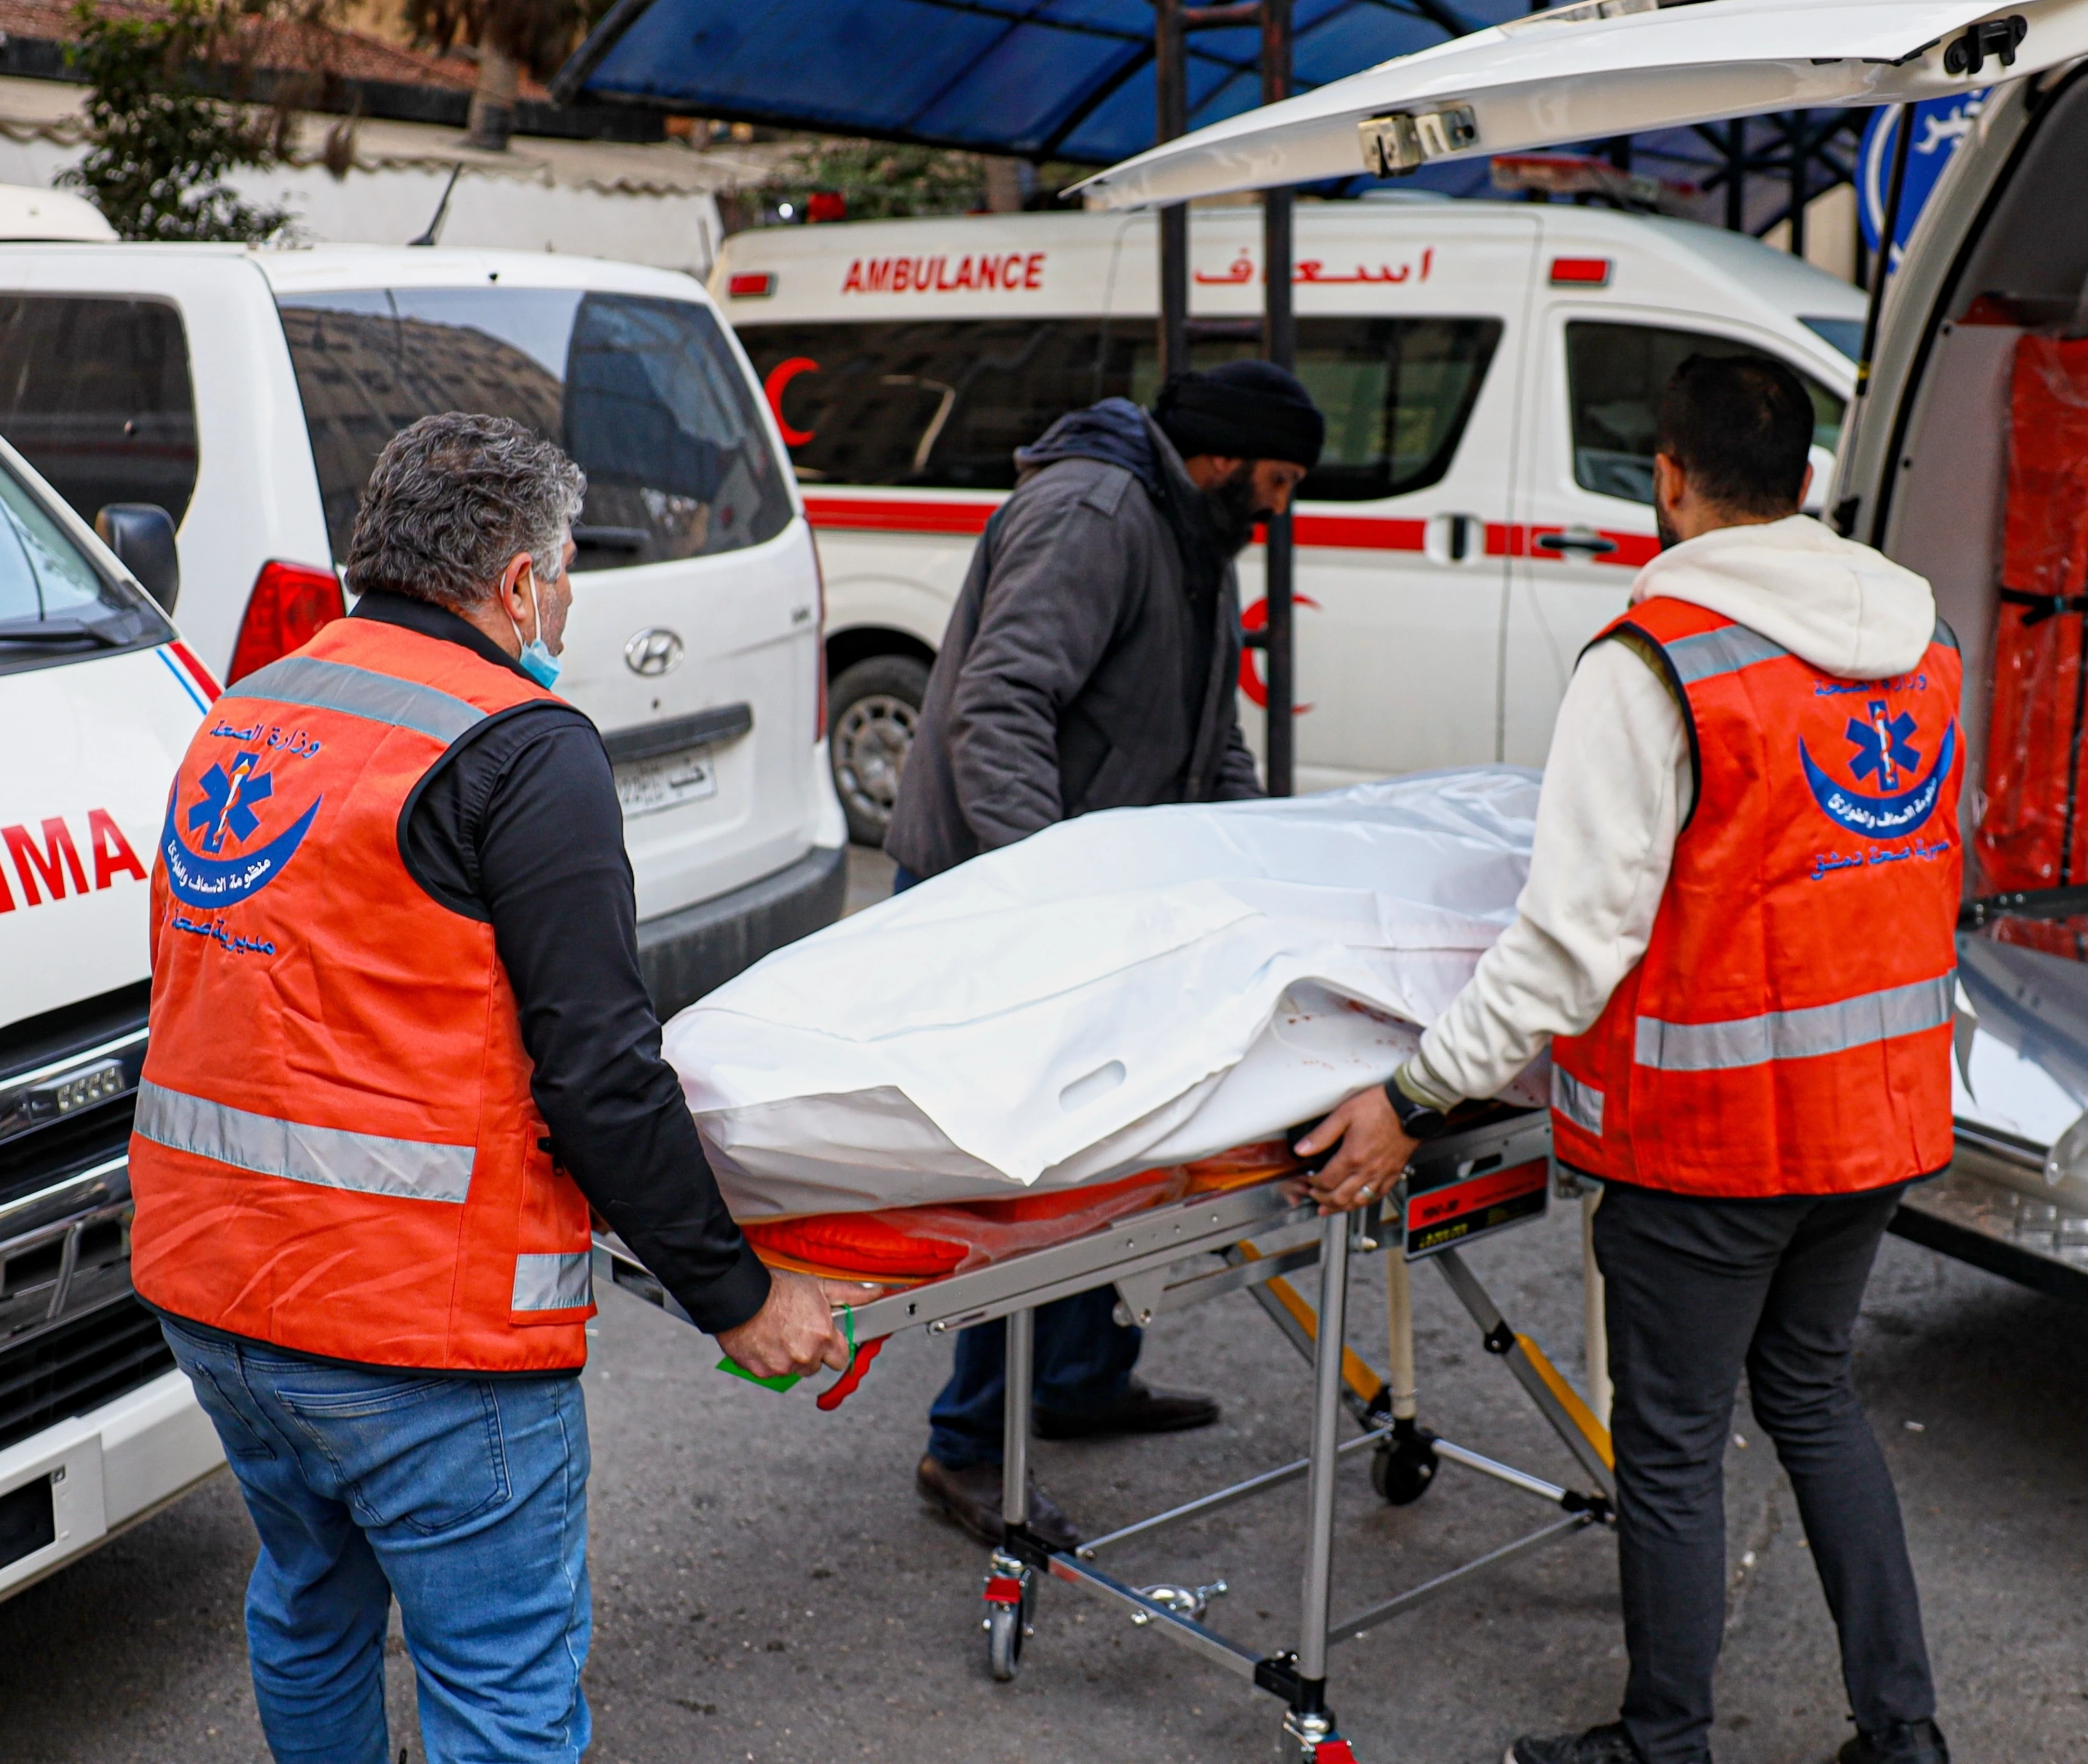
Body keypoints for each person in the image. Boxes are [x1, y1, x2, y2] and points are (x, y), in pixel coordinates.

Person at [134, 413, 874, 1764]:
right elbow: (599, 1065)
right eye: (567, 580)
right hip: (417, 1337)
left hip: (213, 1292)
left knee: (309, 1602)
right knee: (499, 1689)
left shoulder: (248, 711)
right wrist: (739, 1297)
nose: (567, 609)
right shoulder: (522, 747)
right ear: (521, 585)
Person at [1301, 353, 1960, 1764]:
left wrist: (1414, 1097)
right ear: (1805, 480)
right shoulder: (1919, 642)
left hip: (1710, 1142)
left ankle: (1662, 1745)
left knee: (1668, 1446)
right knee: (1811, 1397)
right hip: (1876, 1120)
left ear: (1664, 476)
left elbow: (1567, 942)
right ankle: (1902, 1737)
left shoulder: (1657, 656)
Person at [885, 359, 1326, 1547]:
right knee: (1028, 1177)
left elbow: (1202, 740)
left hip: (1094, 895)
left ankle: (1079, 1384)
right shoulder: (1094, 513)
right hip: (1000, 892)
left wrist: (1265, 861)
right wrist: (1049, 894)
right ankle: (966, 1446)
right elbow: (1001, 707)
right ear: (1225, 456)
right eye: (1277, 480)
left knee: (1120, 1147)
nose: (1280, 508)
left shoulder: (1189, 529)